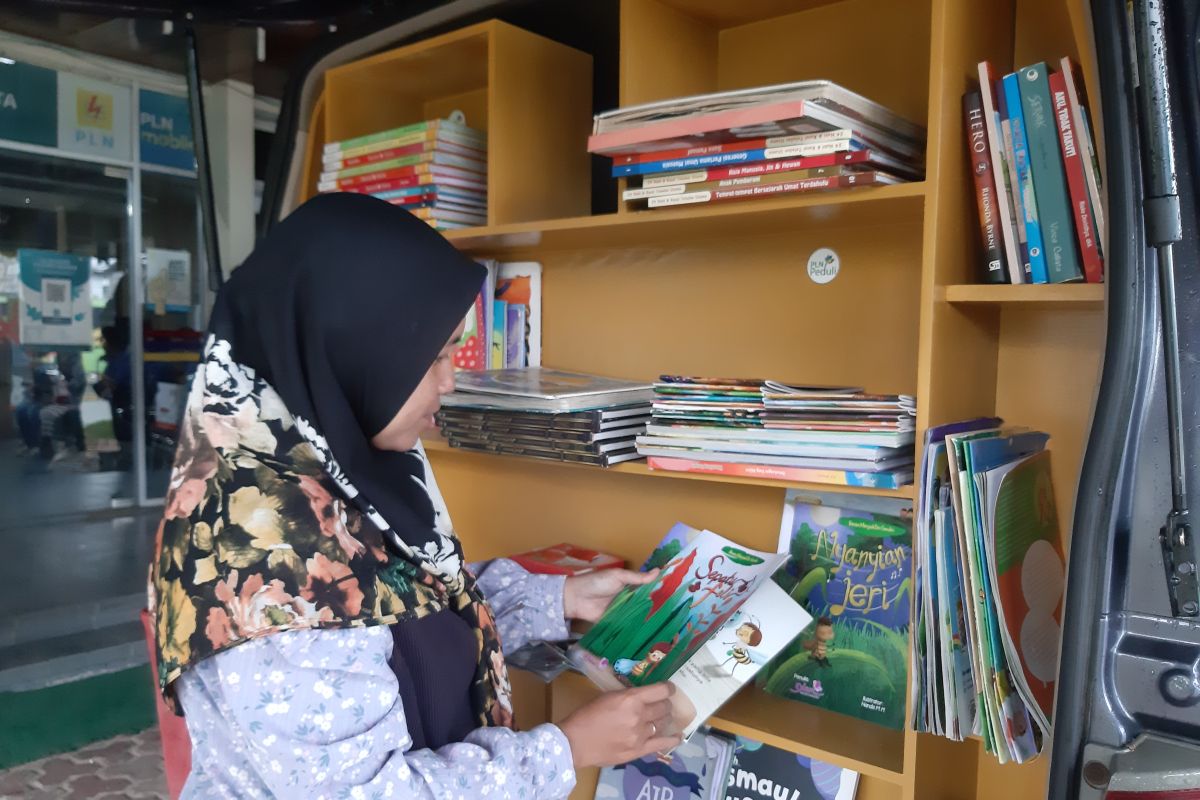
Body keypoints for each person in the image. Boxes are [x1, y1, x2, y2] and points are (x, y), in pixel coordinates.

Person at [150, 193, 681, 799]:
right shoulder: (268, 565)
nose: (450, 380)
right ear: (349, 350)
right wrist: (570, 748)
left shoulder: (330, 472)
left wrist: (555, 598)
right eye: (432, 355)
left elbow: (397, 617)